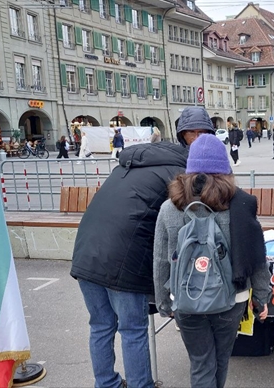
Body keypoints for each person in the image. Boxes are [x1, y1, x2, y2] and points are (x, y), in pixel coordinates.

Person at [70, 123, 189, 388]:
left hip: (85, 252)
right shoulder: (178, 174)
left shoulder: (126, 166)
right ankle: (141, 385)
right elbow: (182, 225)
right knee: (133, 330)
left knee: (101, 325)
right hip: (123, 259)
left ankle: (107, 384)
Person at [153, 133, 271, 388]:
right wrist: (262, 297)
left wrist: (164, 301)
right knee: (221, 357)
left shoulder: (168, 208)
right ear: (225, 170)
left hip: (185, 299)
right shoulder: (241, 203)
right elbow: (257, 256)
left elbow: (161, 259)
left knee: (200, 362)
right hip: (231, 300)